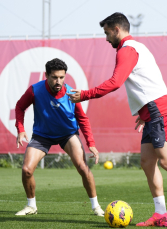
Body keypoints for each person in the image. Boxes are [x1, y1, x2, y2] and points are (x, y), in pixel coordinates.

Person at [67, 13, 167, 228]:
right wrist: (143, 113)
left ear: (116, 29)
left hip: (161, 110)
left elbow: (115, 82)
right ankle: (161, 214)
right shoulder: (138, 48)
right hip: (152, 112)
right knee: (148, 163)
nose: (106, 38)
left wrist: (84, 94)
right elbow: (147, 81)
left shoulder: (127, 50)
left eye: (106, 33)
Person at [14, 58, 104, 216]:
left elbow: (83, 119)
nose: (58, 81)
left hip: (67, 135)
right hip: (42, 136)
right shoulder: (35, 90)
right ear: (47, 75)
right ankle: (31, 206)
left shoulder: (71, 94)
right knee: (27, 170)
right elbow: (20, 106)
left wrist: (91, 143)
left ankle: (96, 206)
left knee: (83, 167)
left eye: (62, 77)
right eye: (54, 77)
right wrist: (20, 129)